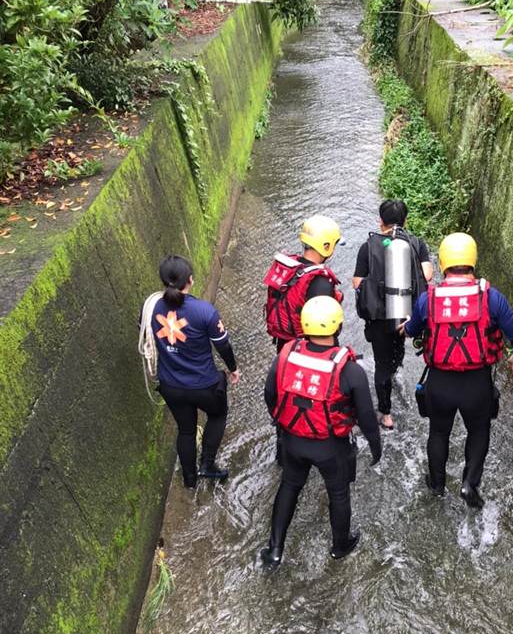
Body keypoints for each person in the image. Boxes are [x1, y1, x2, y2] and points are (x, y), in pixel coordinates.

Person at [400, 232, 513, 509]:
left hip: (440, 383)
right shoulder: (491, 298)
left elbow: (411, 330)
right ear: (472, 260)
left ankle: (436, 486)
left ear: (443, 262)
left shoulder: (428, 299)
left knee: (439, 432)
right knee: (479, 431)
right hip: (476, 384)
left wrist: (408, 326)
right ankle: (469, 484)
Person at [262, 296, 382, 569]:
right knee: (338, 494)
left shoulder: (286, 354)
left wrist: (283, 426)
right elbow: (365, 416)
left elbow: (270, 395)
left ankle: (275, 551)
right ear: (338, 327)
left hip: (292, 441)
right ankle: (340, 546)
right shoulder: (350, 369)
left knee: (289, 486)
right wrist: (376, 447)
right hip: (330, 447)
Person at [145, 255, 241, 489]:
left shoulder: (150, 308)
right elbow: (223, 346)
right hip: (204, 385)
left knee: (186, 430)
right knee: (217, 416)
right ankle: (207, 465)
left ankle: (189, 479)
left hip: (171, 386)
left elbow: (145, 331)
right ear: (190, 280)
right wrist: (233, 369)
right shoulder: (204, 311)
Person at [352, 199, 433, 430]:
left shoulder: (368, 246)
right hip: (408, 314)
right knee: (398, 350)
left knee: (381, 364)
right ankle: (396, 371)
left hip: (379, 317)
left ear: (381, 222)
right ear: (406, 221)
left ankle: (385, 414)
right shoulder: (416, 243)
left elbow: (357, 282)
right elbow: (427, 275)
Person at [264, 214, 344, 353]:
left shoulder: (290, 268)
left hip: (284, 345)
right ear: (326, 246)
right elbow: (324, 329)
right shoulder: (321, 282)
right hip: (307, 350)